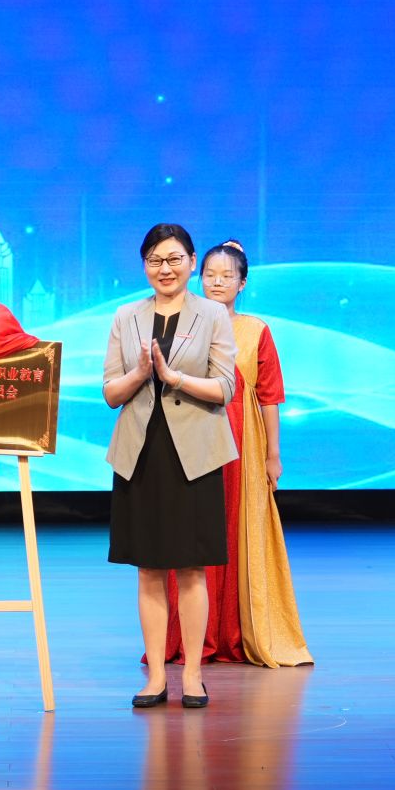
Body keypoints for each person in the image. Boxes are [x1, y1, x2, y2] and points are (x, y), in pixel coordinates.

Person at [102, 223, 237, 710]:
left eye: (175, 259)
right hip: (140, 453)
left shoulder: (212, 315)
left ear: (191, 262)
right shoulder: (126, 316)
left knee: (192, 568)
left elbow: (225, 388)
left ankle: (193, 675)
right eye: (155, 260)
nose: (165, 269)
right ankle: (157, 676)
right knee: (149, 569)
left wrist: (173, 377)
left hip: (194, 454)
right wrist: (141, 373)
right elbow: (110, 392)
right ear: (144, 265)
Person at [165, 241, 313, 667]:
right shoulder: (181, 325)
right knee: (191, 535)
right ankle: (192, 638)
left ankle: (235, 632)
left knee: (235, 531)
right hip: (191, 440)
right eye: (210, 274)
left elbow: (270, 396)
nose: (217, 282)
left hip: (241, 447)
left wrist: (272, 455)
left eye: (227, 276)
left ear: (242, 283)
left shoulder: (256, 331)